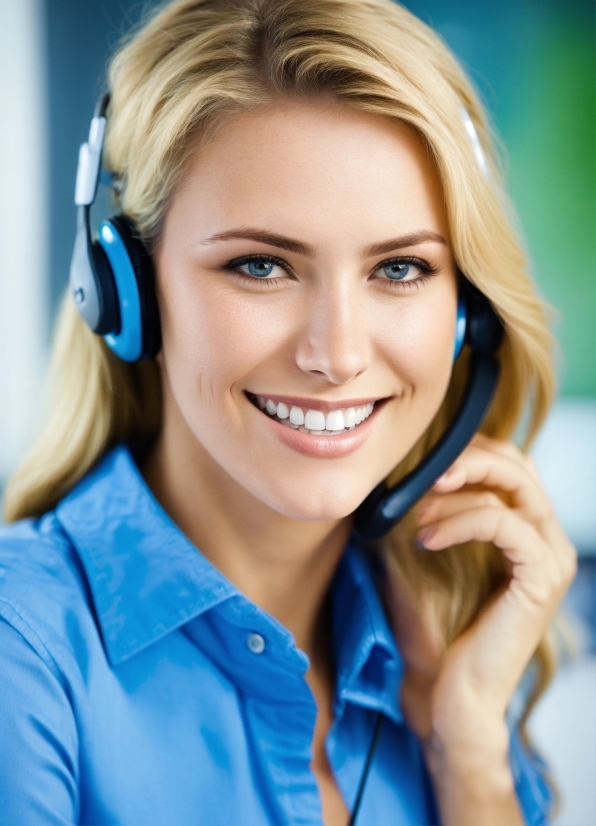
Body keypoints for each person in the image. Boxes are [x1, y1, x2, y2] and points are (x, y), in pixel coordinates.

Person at [0, 0, 577, 824]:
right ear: (126, 291)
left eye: (402, 269)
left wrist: (470, 751)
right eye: (262, 265)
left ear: (468, 316)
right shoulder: (22, 657)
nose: (337, 354)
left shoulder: (433, 654)